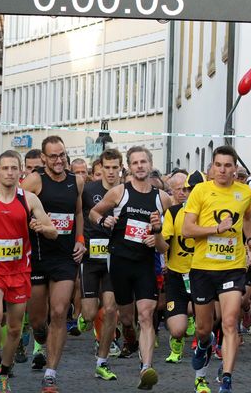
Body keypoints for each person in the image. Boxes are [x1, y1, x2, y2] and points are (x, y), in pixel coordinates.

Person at [0, 149, 57, 393]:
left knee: (16, 328)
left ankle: (5, 371)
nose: (9, 172)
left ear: (21, 172)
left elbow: (53, 231)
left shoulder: (29, 199)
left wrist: (41, 227)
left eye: (13, 168)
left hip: (19, 269)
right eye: (4, 168)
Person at [90, 145, 171, 390]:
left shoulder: (162, 199)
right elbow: (93, 212)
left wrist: (155, 236)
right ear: (129, 166)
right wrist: (105, 220)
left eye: (143, 162)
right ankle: (111, 353)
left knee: (146, 314)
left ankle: (146, 368)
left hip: (145, 264)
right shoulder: (118, 193)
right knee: (121, 315)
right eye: (135, 163)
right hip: (119, 261)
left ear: (150, 164)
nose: (139, 166)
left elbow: (165, 245)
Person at [182, 145, 251, 393]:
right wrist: (216, 229)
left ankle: (226, 378)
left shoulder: (245, 193)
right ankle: (205, 344)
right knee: (204, 328)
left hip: (233, 267)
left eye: (228, 166)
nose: (223, 170)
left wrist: (249, 240)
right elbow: (187, 229)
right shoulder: (201, 191)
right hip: (203, 268)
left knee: (229, 321)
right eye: (219, 165)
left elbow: (248, 219)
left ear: (235, 169)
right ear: (212, 168)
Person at [21, 136, 85, 392]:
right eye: (54, 156)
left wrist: (80, 239)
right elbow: (16, 207)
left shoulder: (76, 181)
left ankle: (50, 372)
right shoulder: (36, 180)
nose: (59, 160)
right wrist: (31, 224)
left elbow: (78, 212)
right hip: (37, 256)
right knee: (37, 319)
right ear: (44, 159)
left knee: (59, 312)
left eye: (62, 155)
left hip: (64, 256)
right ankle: (39, 338)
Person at [162, 171, 211, 392]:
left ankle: (203, 368)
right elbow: (164, 244)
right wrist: (155, 239)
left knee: (202, 322)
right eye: (189, 190)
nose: (191, 193)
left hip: (202, 275)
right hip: (176, 276)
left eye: (197, 189)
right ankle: (177, 342)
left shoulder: (211, 214)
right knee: (177, 329)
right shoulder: (173, 212)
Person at [77, 148, 122, 381]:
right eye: (108, 167)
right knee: (90, 312)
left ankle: (102, 361)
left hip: (114, 259)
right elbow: (77, 215)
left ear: (120, 168)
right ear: (100, 168)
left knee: (111, 309)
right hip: (91, 258)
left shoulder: (125, 192)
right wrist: (79, 241)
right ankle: (83, 318)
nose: (111, 172)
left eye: (115, 167)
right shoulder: (89, 190)